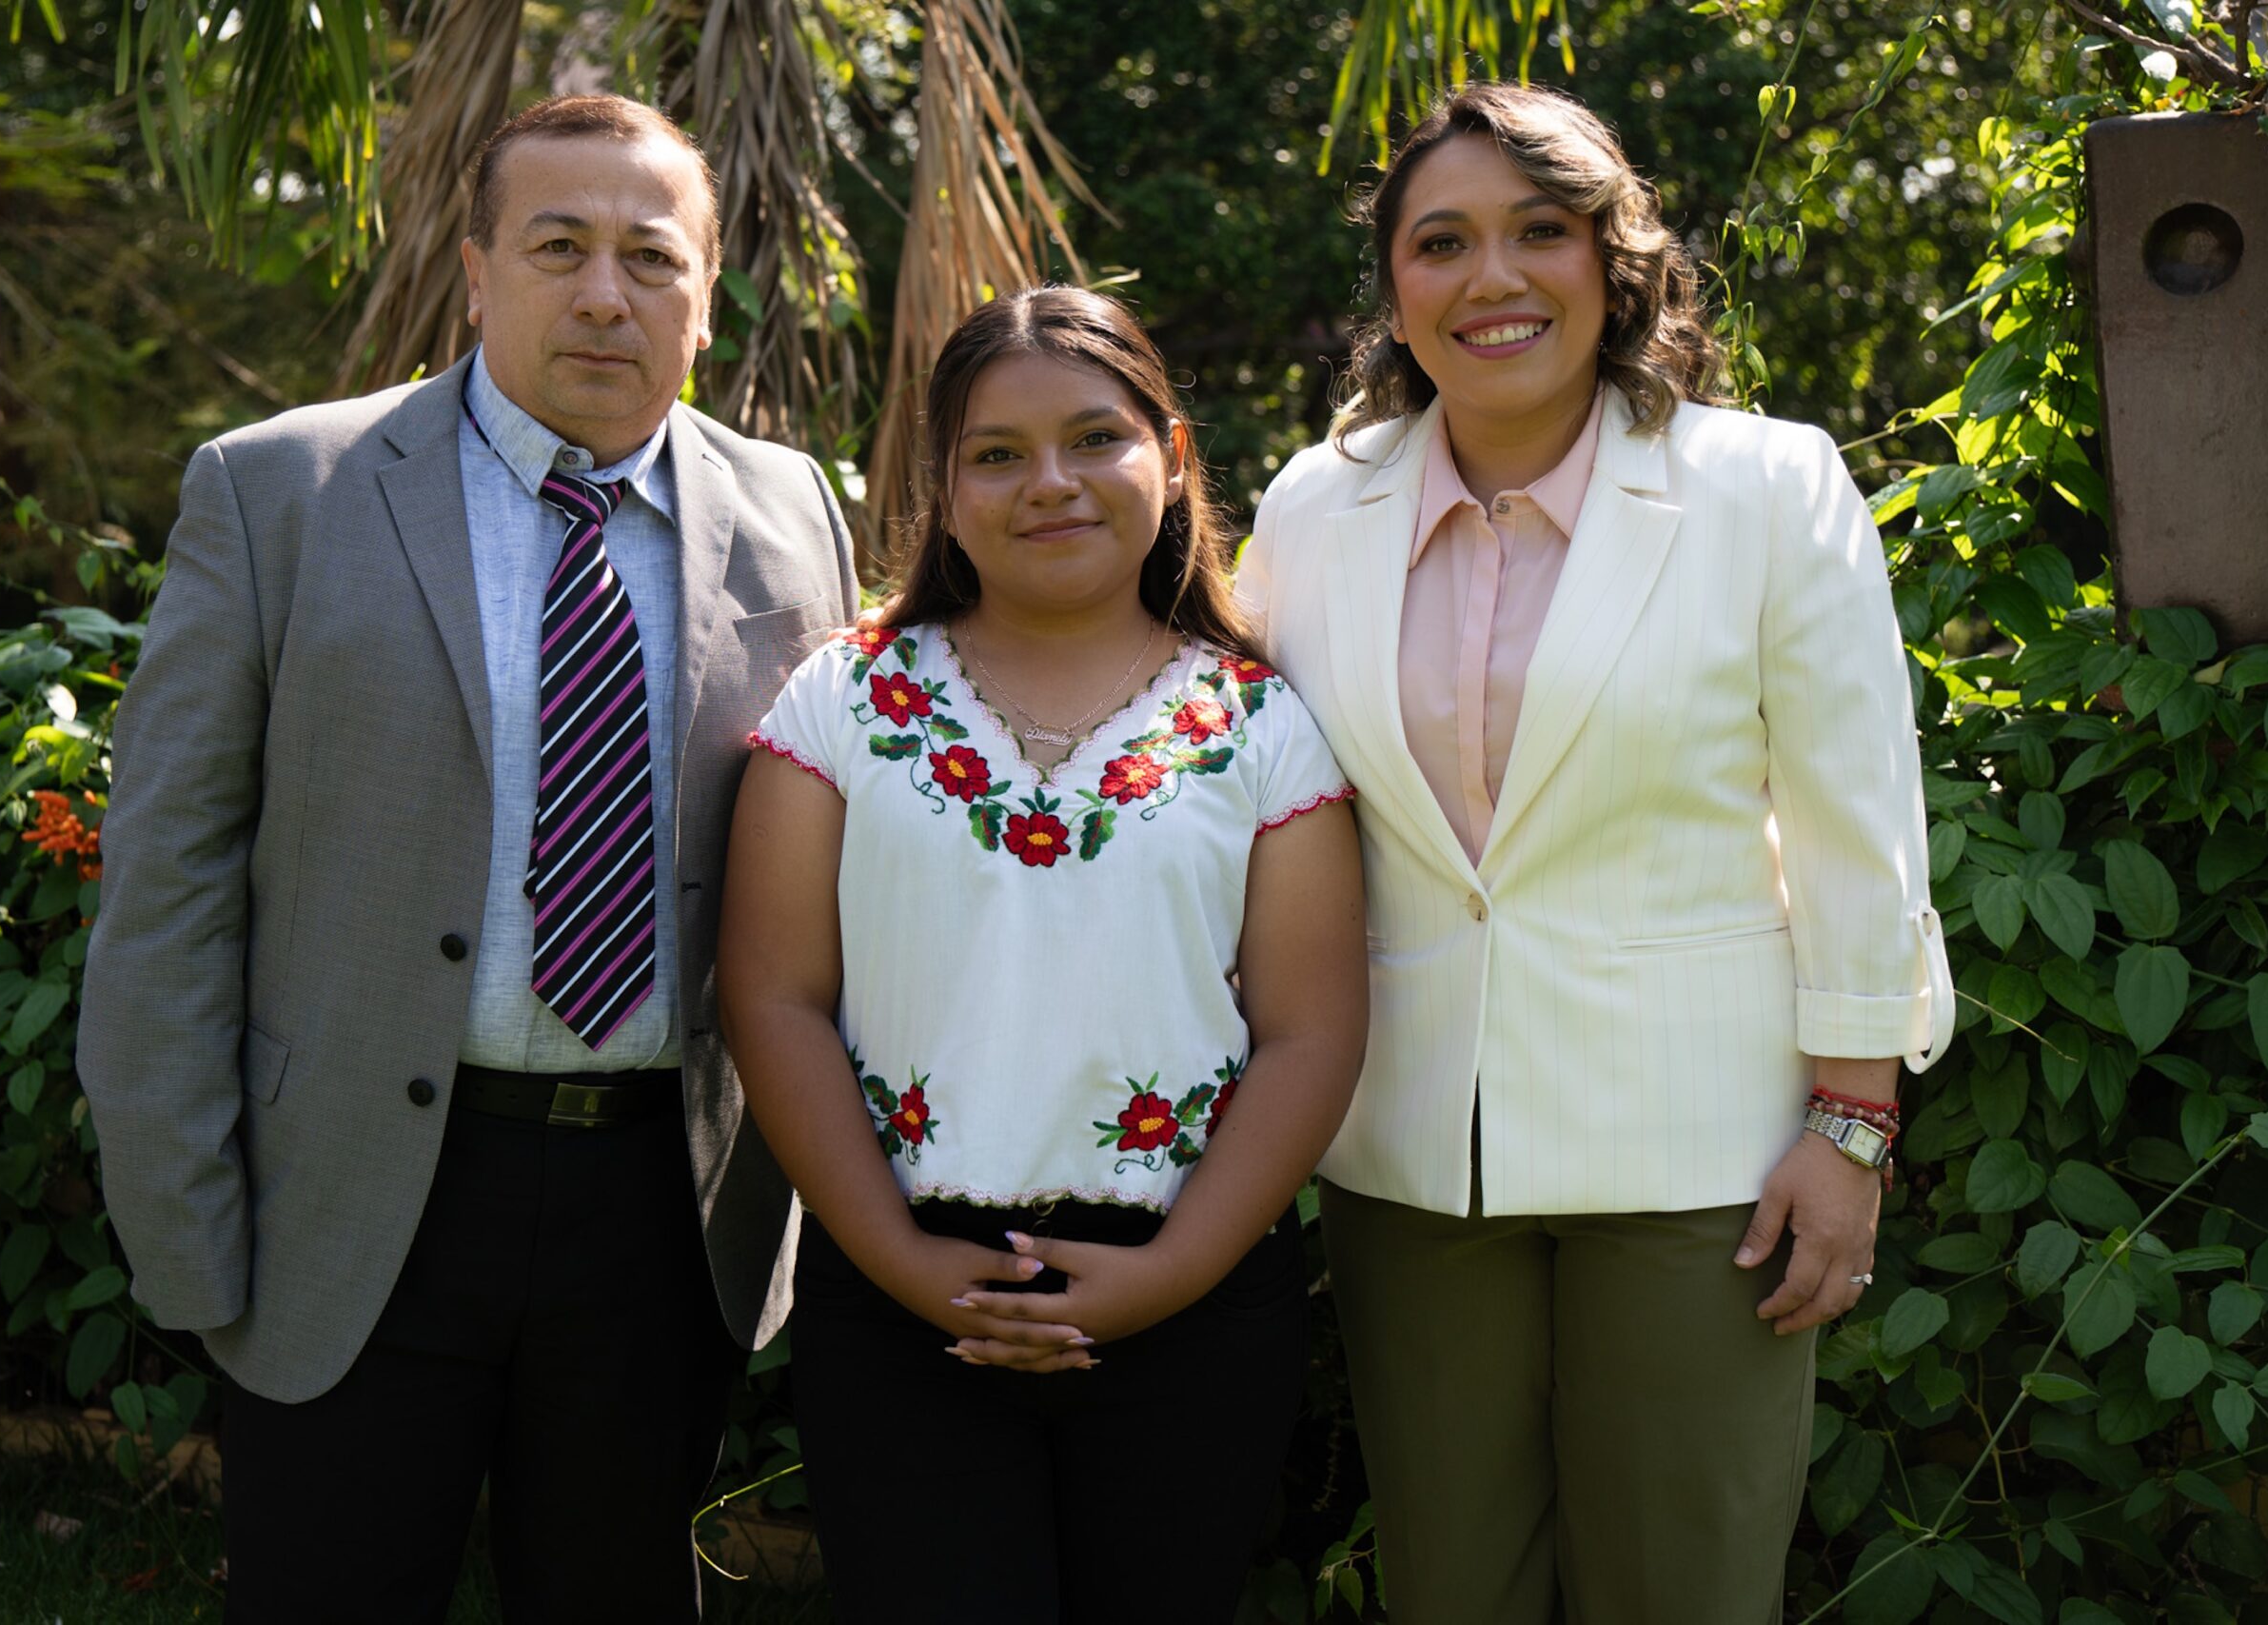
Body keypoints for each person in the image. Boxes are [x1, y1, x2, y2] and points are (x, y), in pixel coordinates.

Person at [76, 93, 857, 1623]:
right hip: (354, 1198)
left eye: (651, 256)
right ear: (476, 268)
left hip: (663, 1210)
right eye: (557, 245)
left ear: (706, 294)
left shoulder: (792, 511)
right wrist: (183, 1215)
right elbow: (168, 886)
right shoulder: (279, 491)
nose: (603, 292)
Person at [1236, 82, 1954, 1623]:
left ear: (1613, 258)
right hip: (1411, 1154)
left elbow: (1857, 827)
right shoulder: (1311, 504)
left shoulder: (1767, 486)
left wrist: (1854, 1130)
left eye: (1538, 232)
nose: (1491, 279)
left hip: (1703, 1159)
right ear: (1398, 288)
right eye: (1442, 242)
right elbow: (1230, 791)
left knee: (1682, 1593)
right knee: (1452, 1592)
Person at [718, 286, 1369, 1624]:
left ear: (1172, 461)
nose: (1049, 484)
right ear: (941, 489)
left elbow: (1314, 1030)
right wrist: (908, 1268)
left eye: (1095, 440)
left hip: (1188, 1300)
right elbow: (771, 997)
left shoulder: (1262, 724)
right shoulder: (841, 701)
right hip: (901, 1301)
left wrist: (1170, 1275)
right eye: (996, 454)